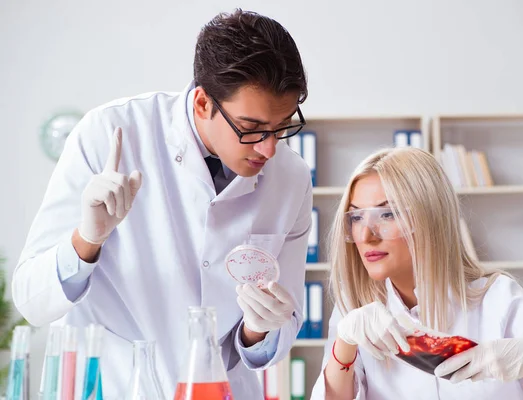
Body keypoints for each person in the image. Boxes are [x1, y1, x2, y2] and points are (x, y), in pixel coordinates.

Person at [12, 9, 312, 399]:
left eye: (283, 126)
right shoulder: (109, 134)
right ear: (203, 103)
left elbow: (276, 335)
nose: (269, 149)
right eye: (252, 130)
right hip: (121, 387)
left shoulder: (292, 177)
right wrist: (86, 241)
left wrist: (260, 328)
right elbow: (32, 300)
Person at [311, 147, 523, 400]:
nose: (366, 236)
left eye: (387, 214)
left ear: (429, 218)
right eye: (357, 217)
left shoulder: (500, 298)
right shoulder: (357, 312)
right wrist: (344, 345)